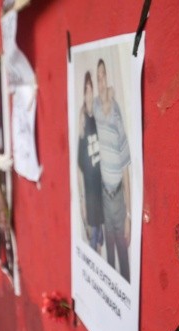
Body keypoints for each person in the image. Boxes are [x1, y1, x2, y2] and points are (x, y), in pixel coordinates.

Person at [93, 59, 131, 282]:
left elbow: (126, 165)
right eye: (97, 78)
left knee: (123, 258)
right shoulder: (96, 106)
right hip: (103, 195)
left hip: (118, 196)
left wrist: (128, 215)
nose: (100, 81)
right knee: (109, 259)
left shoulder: (115, 112)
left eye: (102, 76)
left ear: (107, 78)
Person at [77, 71, 104, 255]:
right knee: (94, 241)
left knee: (100, 239)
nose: (89, 93)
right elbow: (80, 166)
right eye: (86, 90)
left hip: (101, 189)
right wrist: (82, 202)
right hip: (90, 193)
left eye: (90, 89)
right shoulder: (82, 120)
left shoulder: (96, 116)